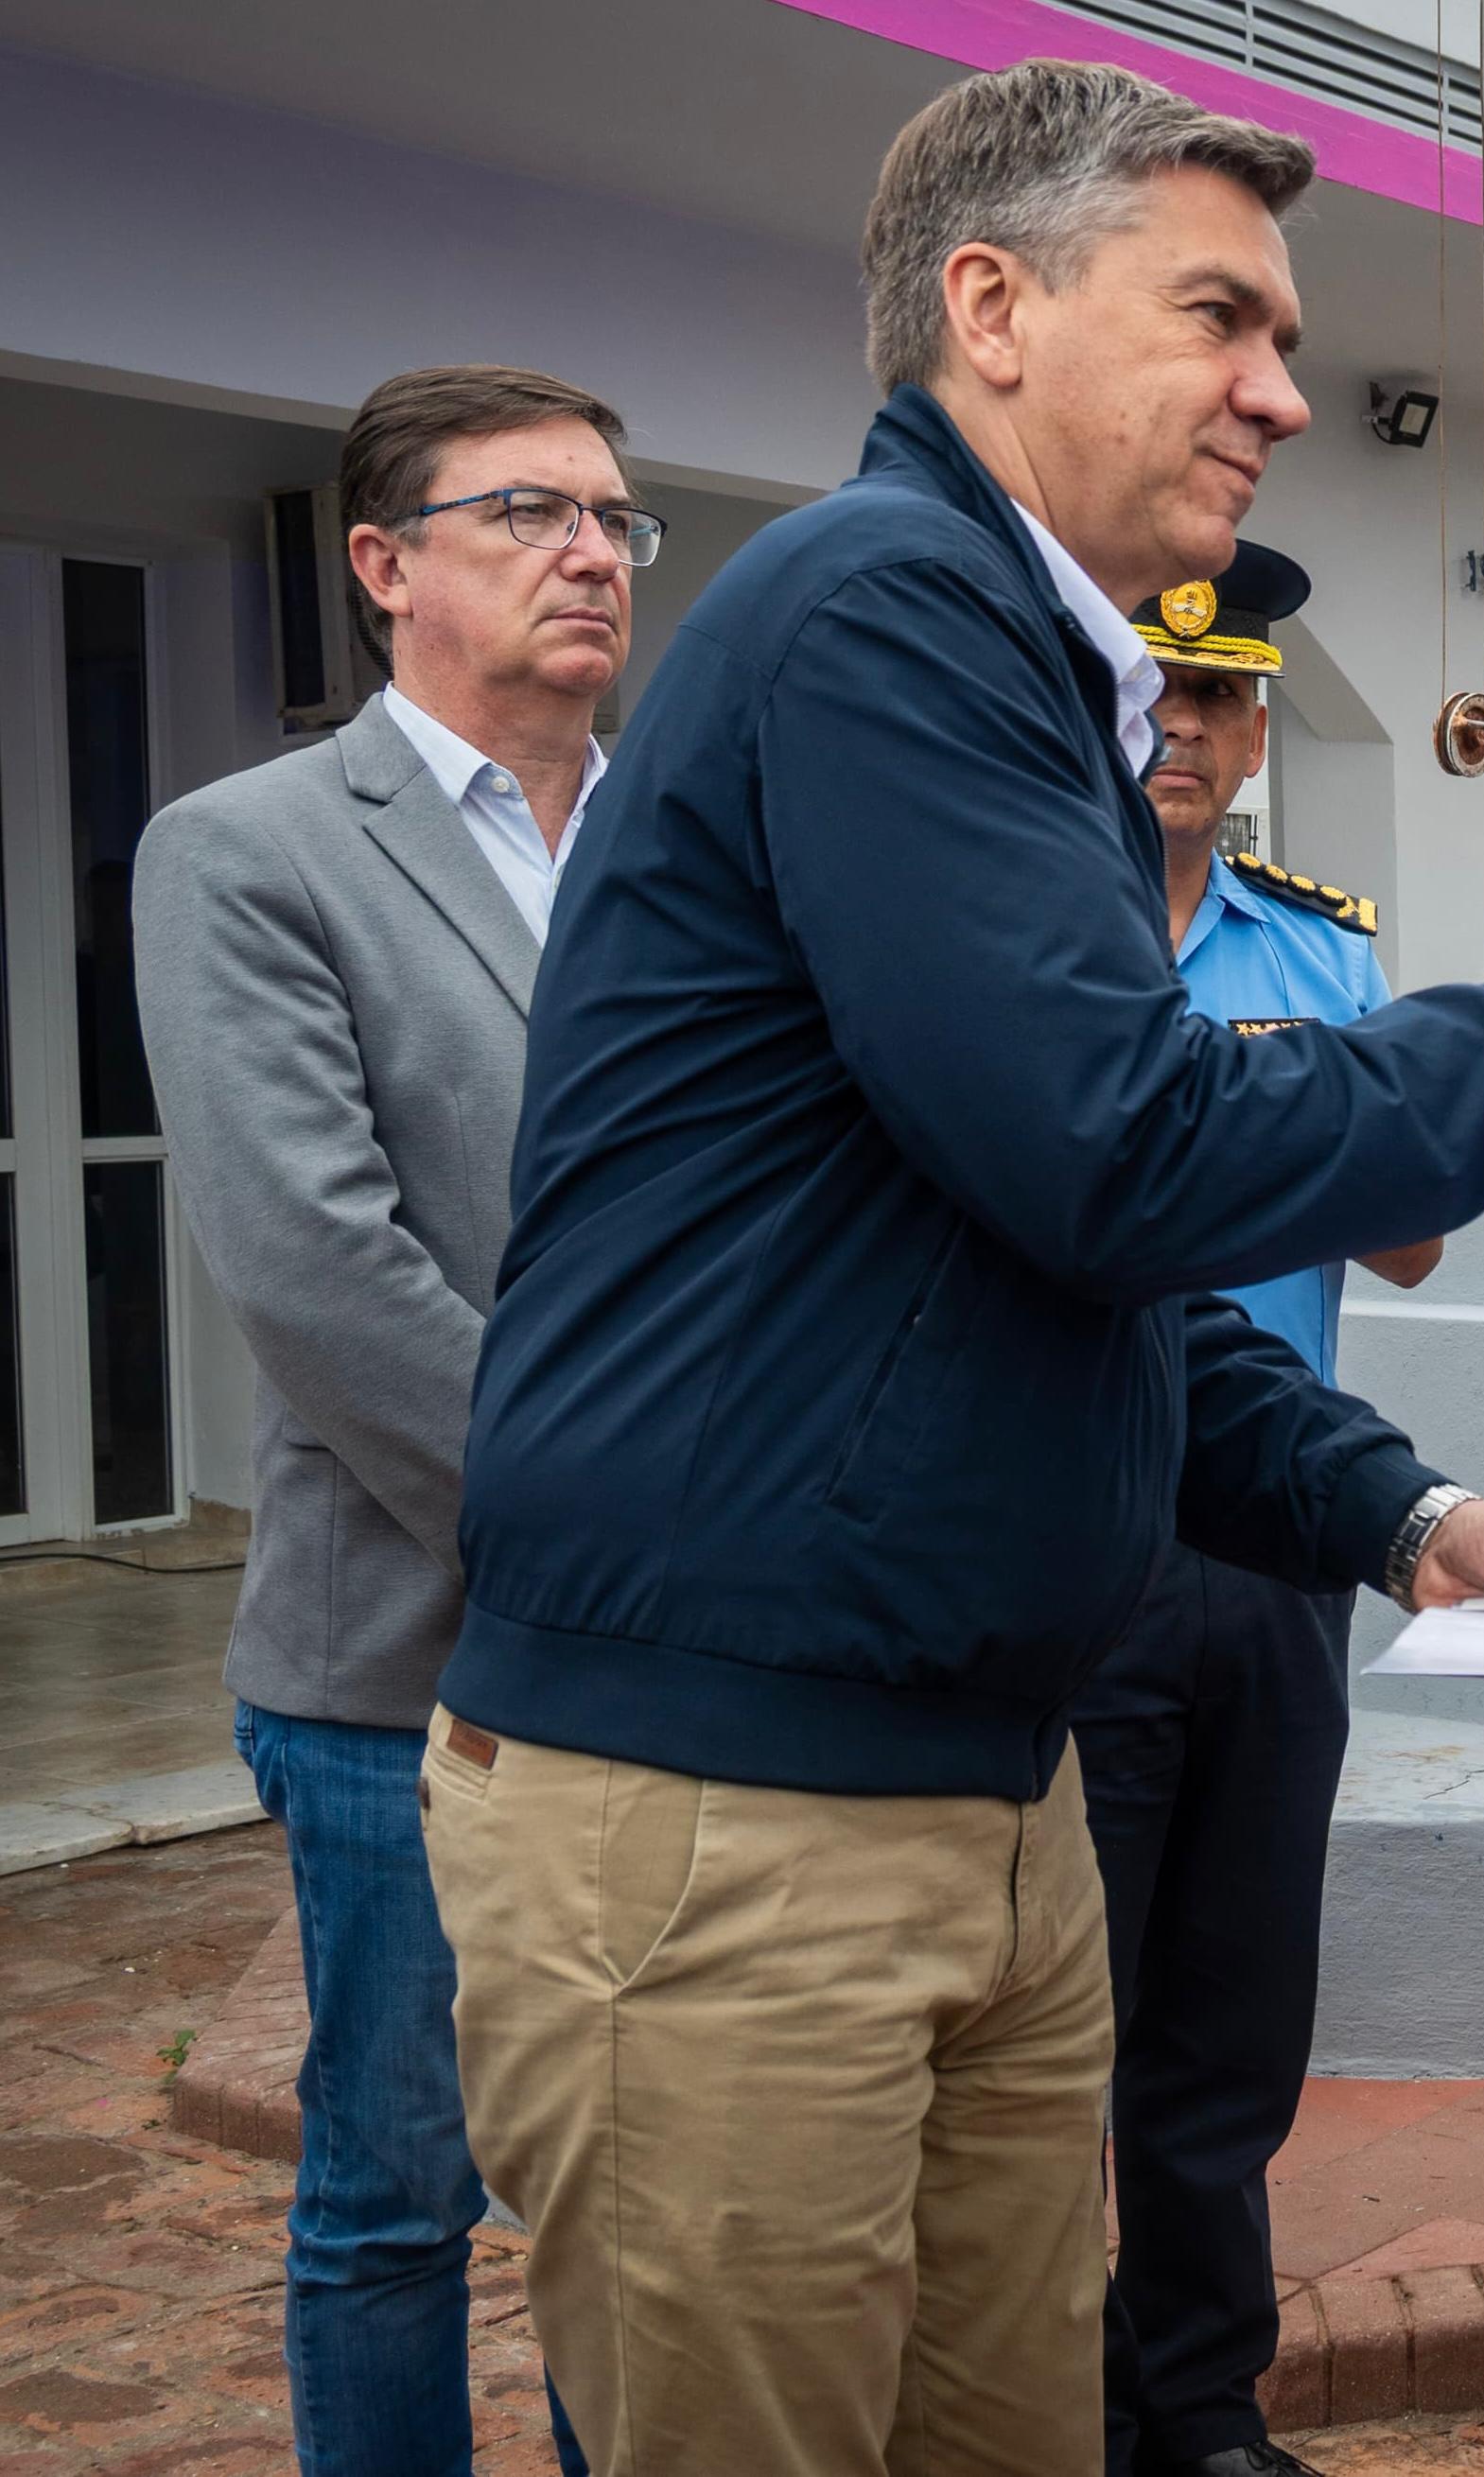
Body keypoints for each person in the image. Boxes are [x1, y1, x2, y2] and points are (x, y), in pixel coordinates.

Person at [411, 62, 1484, 2476]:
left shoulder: (1026, 677)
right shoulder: (888, 612)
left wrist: (1391, 1511)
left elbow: (1061, 1263)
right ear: (990, 307)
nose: (1278, 387)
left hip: (958, 1787)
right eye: (1221, 315)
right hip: (739, 1816)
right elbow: (1122, 1150)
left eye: (1282, 332)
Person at [131, 363, 634, 2477]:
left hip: (686, 1670)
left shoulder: (687, 845)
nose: (594, 551)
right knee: (396, 2193)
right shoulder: (247, 853)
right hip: (406, 1665)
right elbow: (322, 1274)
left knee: (645, 2206)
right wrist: (631, 1521)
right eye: (527, 512)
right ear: (386, 563)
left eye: (616, 519)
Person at [1077, 542, 1441, 2477]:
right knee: (1068, 2028)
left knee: (1229, 2026)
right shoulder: (1034, 927)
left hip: (1281, 1541)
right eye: (1150, 684)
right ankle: (1046, 2403)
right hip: (1080, 1541)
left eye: (1214, 696)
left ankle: (1200, 2408)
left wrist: (1294, 1111)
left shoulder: (1321, 945)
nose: (1180, 727)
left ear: (1257, 723)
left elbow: (1403, 1234)